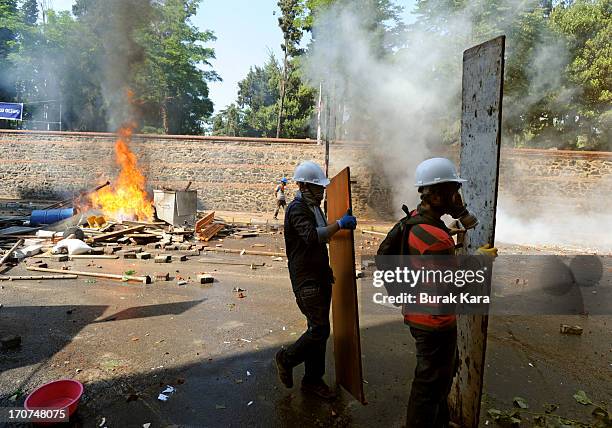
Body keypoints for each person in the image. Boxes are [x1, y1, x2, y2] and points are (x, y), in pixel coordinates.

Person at [402, 157, 497, 427]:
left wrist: (460, 218)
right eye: (453, 191)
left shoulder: (416, 220)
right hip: (434, 321)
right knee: (429, 387)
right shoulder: (436, 237)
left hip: (417, 310)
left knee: (438, 378)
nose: (458, 197)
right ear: (438, 194)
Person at [274, 160, 357, 400]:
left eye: (321, 187)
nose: (321, 191)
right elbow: (311, 236)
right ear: (303, 186)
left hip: (320, 276)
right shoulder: (297, 208)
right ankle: (286, 358)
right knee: (320, 330)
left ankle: (312, 380)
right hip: (306, 279)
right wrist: (340, 224)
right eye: (317, 187)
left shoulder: (314, 207)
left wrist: (338, 223)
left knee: (317, 330)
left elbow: (324, 233)